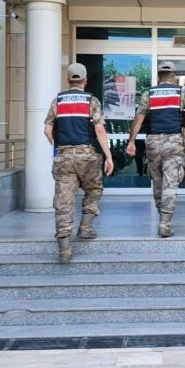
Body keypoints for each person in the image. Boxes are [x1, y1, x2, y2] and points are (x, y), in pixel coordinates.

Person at [44, 63, 114, 263]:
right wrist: (108, 156)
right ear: (85, 80)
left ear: (68, 80)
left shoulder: (57, 101)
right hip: (87, 155)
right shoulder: (91, 100)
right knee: (94, 189)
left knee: (63, 201)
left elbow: (47, 130)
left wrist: (60, 146)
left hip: (64, 157)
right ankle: (85, 227)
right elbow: (99, 129)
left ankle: (64, 250)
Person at [126, 61, 185, 237]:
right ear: (173, 76)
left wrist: (131, 142)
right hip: (173, 141)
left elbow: (138, 119)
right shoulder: (181, 92)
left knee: (158, 182)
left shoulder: (149, 93)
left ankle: (162, 215)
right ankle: (165, 224)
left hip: (153, 141)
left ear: (159, 77)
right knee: (170, 183)